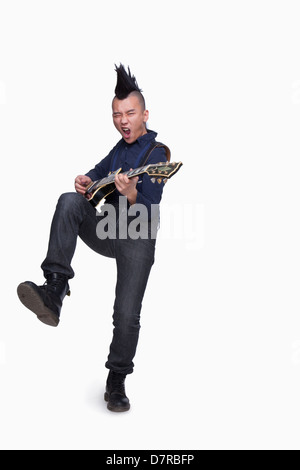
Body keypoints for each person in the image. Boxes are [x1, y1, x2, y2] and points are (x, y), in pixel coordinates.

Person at [17, 64, 170, 412]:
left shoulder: (156, 155)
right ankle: (55, 288)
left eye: (130, 113)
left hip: (138, 238)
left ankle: (117, 379)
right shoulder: (119, 149)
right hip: (106, 229)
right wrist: (86, 179)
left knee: (126, 315)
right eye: (117, 114)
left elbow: (149, 203)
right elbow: (99, 172)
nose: (123, 120)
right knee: (70, 201)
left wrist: (131, 192)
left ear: (144, 113)